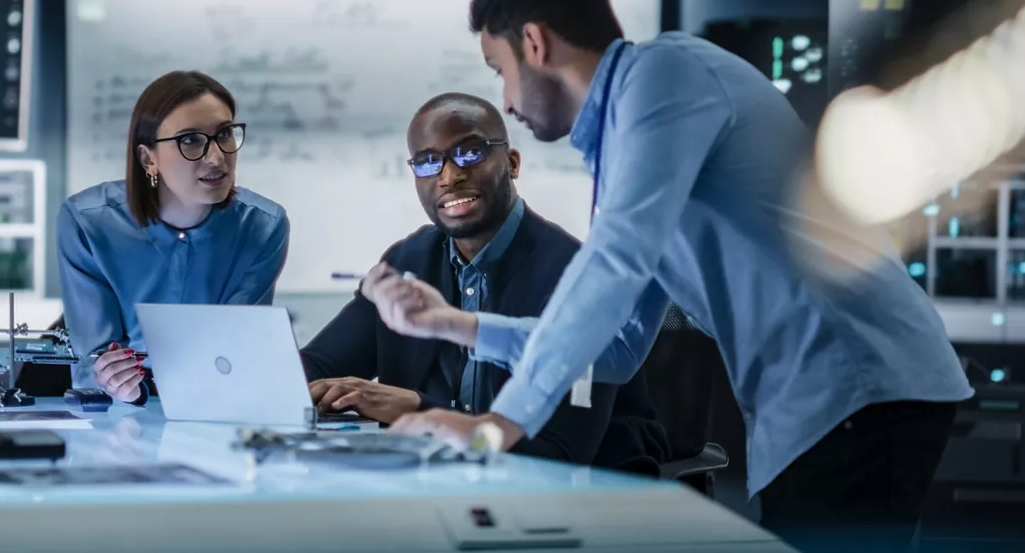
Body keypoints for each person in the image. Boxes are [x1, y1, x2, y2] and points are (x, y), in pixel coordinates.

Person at [366, 0, 973, 551]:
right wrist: (456, 324)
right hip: (821, 408)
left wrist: (496, 427)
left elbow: (613, 264)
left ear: (534, 42)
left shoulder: (664, 77)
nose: (505, 98)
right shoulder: (625, 145)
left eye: (498, 69)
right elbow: (618, 349)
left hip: (860, 385)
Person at [300, 92, 670, 469]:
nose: (449, 176)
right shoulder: (407, 261)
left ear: (511, 163)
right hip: (436, 482)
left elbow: (559, 455)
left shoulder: (573, 275)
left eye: (470, 153)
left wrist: (418, 408)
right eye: (428, 162)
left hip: (574, 494)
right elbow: (314, 365)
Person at [55, 70, 291, 404]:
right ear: (148, 159)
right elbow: (94, 362)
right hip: (113, 413)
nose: (217, 157)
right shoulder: (88, 223)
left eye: (224, 133)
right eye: (190, 140)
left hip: (212, 402)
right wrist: (117, 382)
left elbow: (233, 352)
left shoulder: (264, 226)